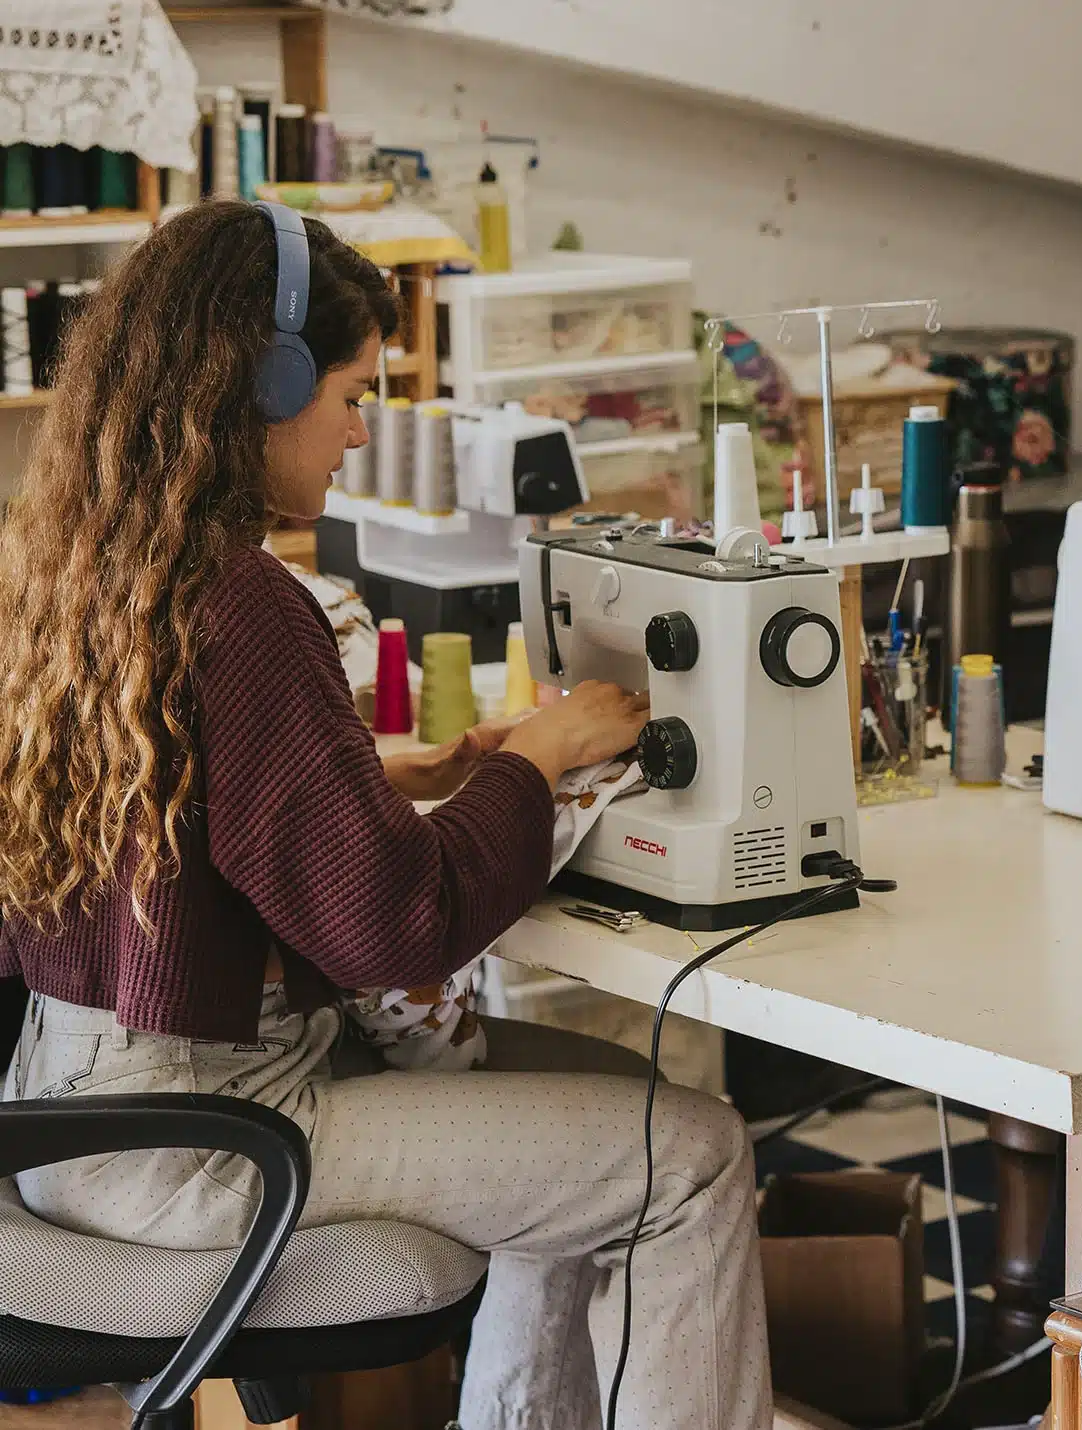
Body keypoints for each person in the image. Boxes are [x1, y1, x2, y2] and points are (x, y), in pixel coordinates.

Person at [0, 202, 767, 1430]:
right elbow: (394, 923)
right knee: (691, 1157)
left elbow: (184, 805)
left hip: (73, 1105)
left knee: (610, 1100)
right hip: (201, 1139)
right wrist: (536, 760)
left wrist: (379, 771)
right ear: (267, 378)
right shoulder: (243, 597)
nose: (361, 431)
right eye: (354, 393)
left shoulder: (82, 558)